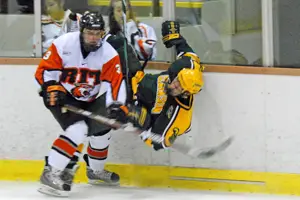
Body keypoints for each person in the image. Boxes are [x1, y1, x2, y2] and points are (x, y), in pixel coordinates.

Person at [34, 12, 127, 197]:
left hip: (88, 99)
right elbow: (44, 71)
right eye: (89, 33)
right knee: (78, 130)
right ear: (81, 31)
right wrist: (49, 87)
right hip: (60, 95)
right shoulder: (64, 43)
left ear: (103, 33)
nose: (93, 38)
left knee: (102, 130)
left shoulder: (108, 53)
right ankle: (51, 172)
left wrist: (116, 105)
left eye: (97, 33)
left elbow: (115, 84)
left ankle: (95, 171)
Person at [109, 20, 204, 151]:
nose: (174, 85)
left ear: (186, 93)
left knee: (121, 110)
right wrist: (175, 38)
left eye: (179, 88)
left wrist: (141, 127)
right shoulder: (187, 66)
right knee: (118, 42)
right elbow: (190, 54)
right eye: (177, 80)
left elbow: (157, 143)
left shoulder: (179, 116)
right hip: (137, 78)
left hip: (134, 104)